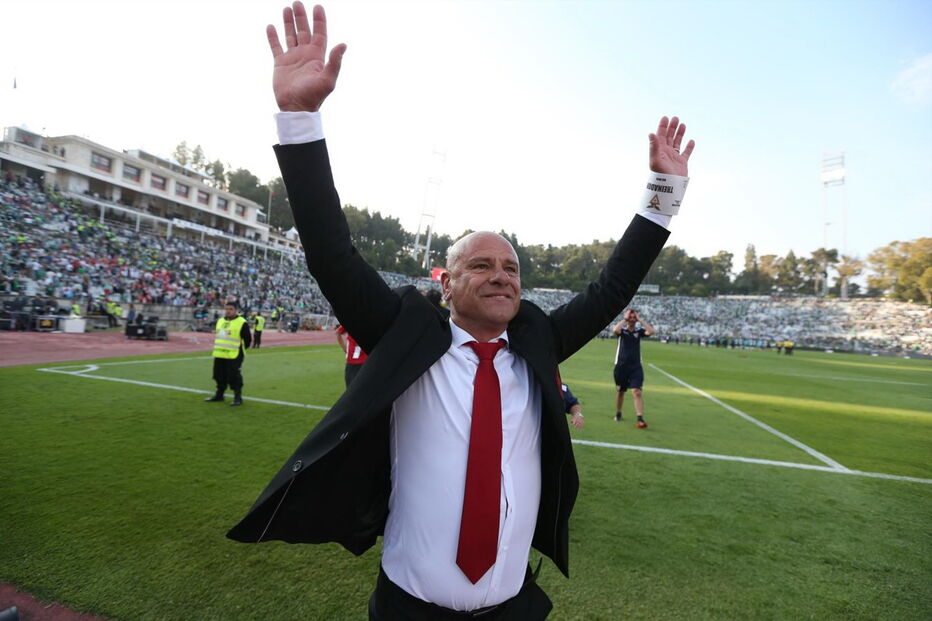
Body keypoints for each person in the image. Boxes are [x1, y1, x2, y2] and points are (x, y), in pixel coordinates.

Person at [227, 4, 695, 619]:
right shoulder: (403, 333)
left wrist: (662, 195)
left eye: (511, 268)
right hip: (408, 605)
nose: (501, 275)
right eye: (481, 265)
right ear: (446, 284)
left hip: (513, 607)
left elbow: (610, 291)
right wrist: (299, 117)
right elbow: (332, 254)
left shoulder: (538, 342)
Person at [611, 309, 655, 428]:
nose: (631, 319)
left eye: (633, 317)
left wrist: (641, 320)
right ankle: (618, 413)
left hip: (635, 367)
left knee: (637, 392)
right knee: (620, 391)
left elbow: (651, 331)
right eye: (630, 317)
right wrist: (624, 319)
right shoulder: (622, 331)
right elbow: (615, 330)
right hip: (621, 366)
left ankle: (640, 418)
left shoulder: (639, 331)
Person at [204, 301, 252, 407]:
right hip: (220, 353)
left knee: (234, 376)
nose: (228, 311)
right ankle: (219, 395)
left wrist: (241, 350)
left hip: (235, 354)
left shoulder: (241, 322)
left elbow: (248, 339)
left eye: (231, 309)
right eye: (227, 309)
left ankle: (238, 397)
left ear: (236, 310)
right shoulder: (220, 321)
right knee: (218, 375)